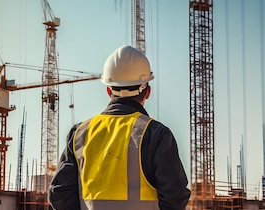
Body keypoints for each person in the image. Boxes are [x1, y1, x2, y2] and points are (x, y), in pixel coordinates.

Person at [48, 45, 191, 210]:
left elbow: (59, 194)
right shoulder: (156, 134)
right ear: (147, 92)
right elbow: (175, 197)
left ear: (109, 90)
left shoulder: (80, 133)